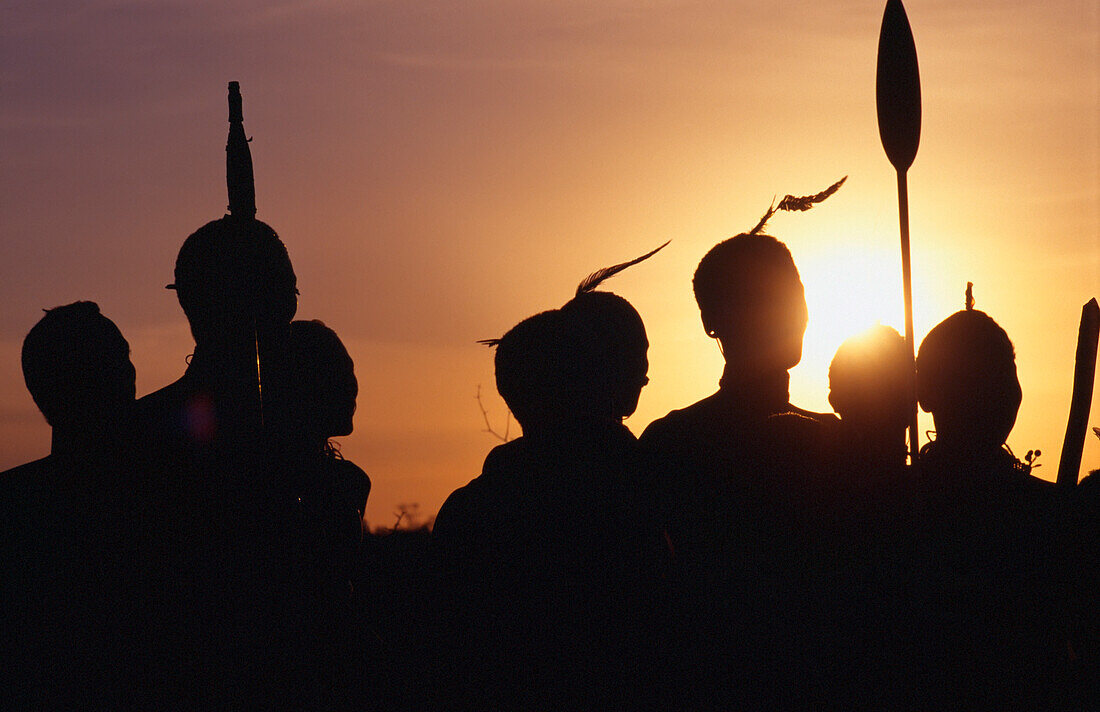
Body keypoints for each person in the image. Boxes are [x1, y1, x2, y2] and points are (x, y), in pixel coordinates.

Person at [433, 252, 667, 710]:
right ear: (592, 377)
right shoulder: (644, 490)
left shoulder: (471, 509)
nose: (643, 377)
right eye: (628, 360)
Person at [638, 231, 841, 708]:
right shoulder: (674, 446)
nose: (793, 313)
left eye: (796, 294)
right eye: (765, 299)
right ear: (714, 323)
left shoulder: (836, 439)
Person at [915, 301, 1067, 708]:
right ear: (925, 395)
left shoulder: (1055, 511)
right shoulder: (895, 510)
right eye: (972, 378)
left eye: (1005, 372)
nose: (997, 390)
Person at [0, 302, 138, 707]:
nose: (129, 370)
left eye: (124, 357)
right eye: (116, 359)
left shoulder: (13, 505)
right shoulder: (170, 501)